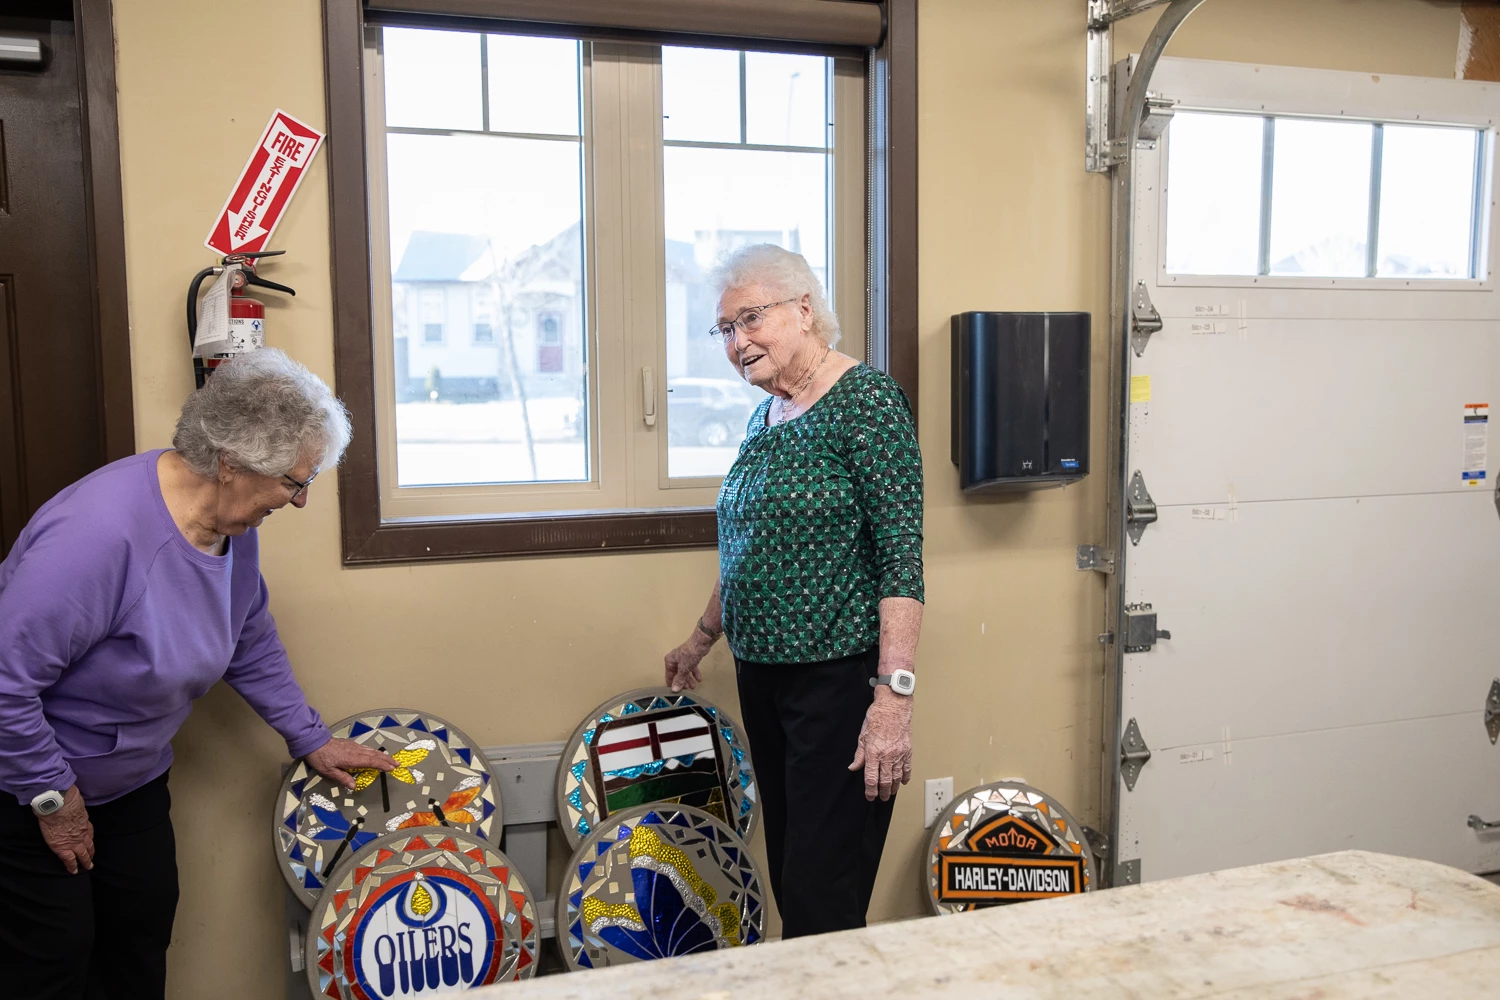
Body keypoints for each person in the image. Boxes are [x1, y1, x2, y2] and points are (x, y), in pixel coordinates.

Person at [0, 349, 394, 999]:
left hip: (132, 784)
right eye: (295, 481)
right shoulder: (96, 538)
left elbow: (248, 638)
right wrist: (53, 798)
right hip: (31, 791)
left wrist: (311, 738)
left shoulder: (230, 523)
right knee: (52, 964)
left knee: (139, 942)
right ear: (231, 463)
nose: (301, 500)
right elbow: (5, 683)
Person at [663, 244, 924, 938]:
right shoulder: (768, 416)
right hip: (765, 678)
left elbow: (902, 560)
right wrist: (700, 639)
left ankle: (835, 984)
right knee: (790, 873)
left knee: (820, 890)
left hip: (836, 682)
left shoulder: (866, 402)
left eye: (751, 319)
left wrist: (892, 700)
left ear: (804, 310)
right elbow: (748, 546)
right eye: (725, 328)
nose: (737, 341)